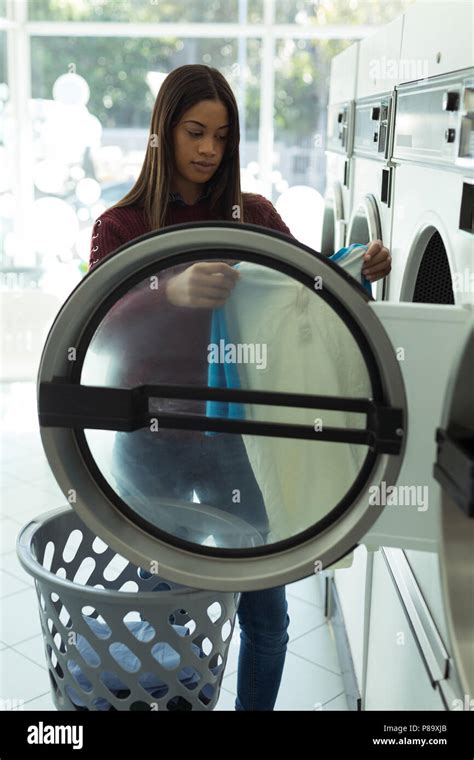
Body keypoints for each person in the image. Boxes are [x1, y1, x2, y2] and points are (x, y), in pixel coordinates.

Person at [89, 64, 391, 711]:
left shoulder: (249, 215)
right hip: (151, 441)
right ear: (162, 133)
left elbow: (301, 297)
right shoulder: (120, 226)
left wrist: (355, 272)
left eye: (222, 137)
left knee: (267, 615)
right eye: (195, 132)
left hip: (239, 441)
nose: (208, 150)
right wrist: (166, 290)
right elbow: (97, 328)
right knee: (159, 610)